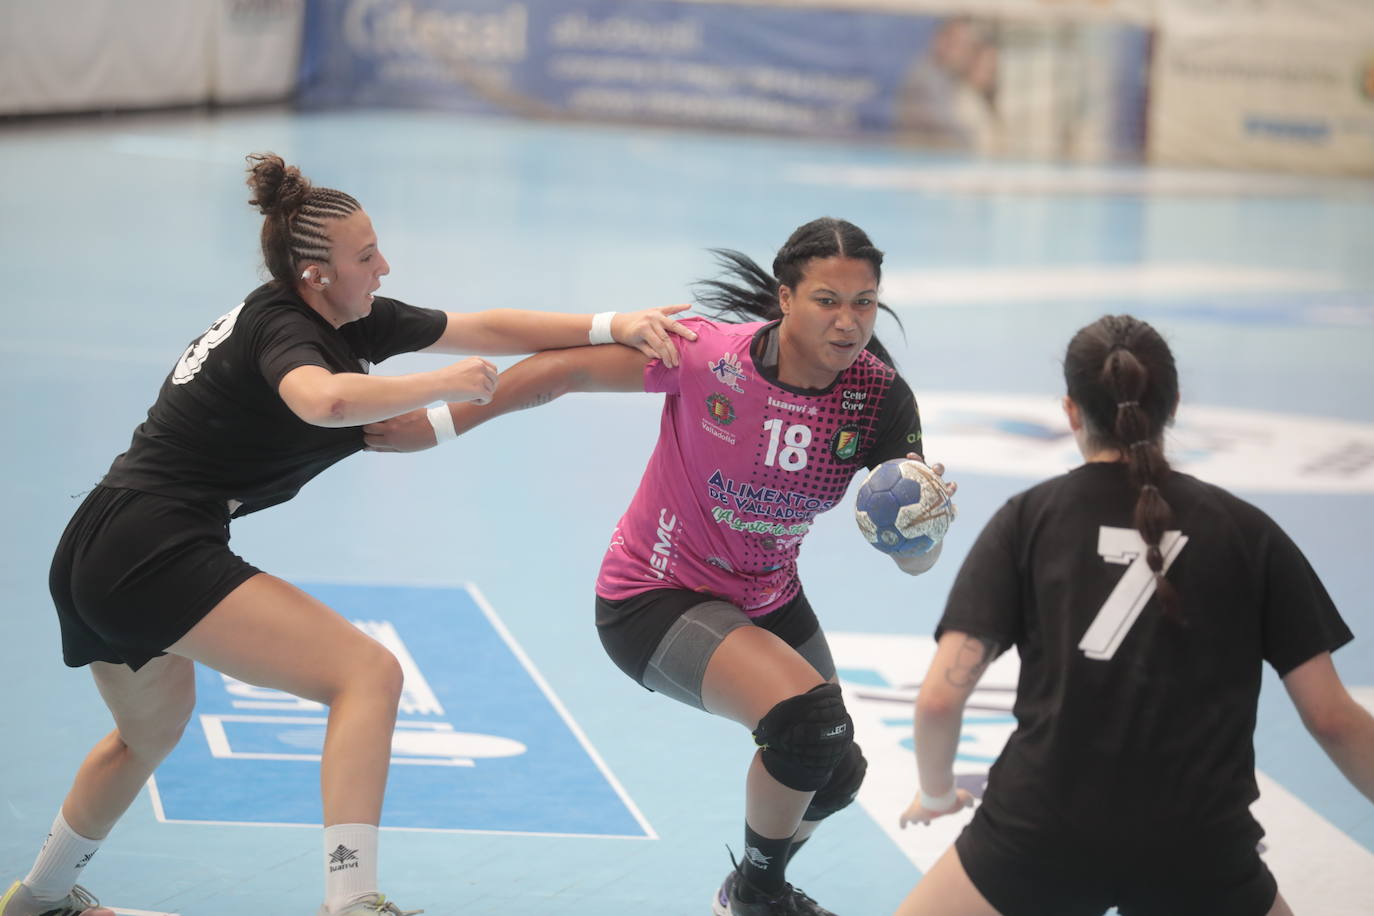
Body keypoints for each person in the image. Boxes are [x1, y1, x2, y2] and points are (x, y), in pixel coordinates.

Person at [1, 152, 694, 916]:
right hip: (150, 547)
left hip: (99, 546)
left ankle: (39, 897)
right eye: (366, 257)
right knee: (367, 675)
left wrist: (615, 323)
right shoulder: (282, 329)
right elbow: (324, 402)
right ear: (314, 274)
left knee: (147, 736)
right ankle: (352, 899)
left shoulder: (353, 317)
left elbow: (486, 326)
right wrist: (443, 383)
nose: (384, 266)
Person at [365, 217, 954, 916]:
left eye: (864, 302)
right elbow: (565, 368)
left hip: (765, 593)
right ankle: (758, 898)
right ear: (785, 297)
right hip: (657, 594)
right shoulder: (709, 356)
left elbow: (919, 566)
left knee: (835, 772)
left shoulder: (879, 398)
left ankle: (750, 886)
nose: (848, 322)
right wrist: (435, 425)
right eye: (827, 300)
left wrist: (918, 534)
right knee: (808, 727)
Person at [893, 314, 1374, 916]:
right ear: (1172, 408)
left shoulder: (1028, 520)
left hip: (1040, 831)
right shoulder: (1247, 533)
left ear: (1071, 411)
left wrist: (937, 792)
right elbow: (1331, 718)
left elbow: (940, 699)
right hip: (1198, 844)